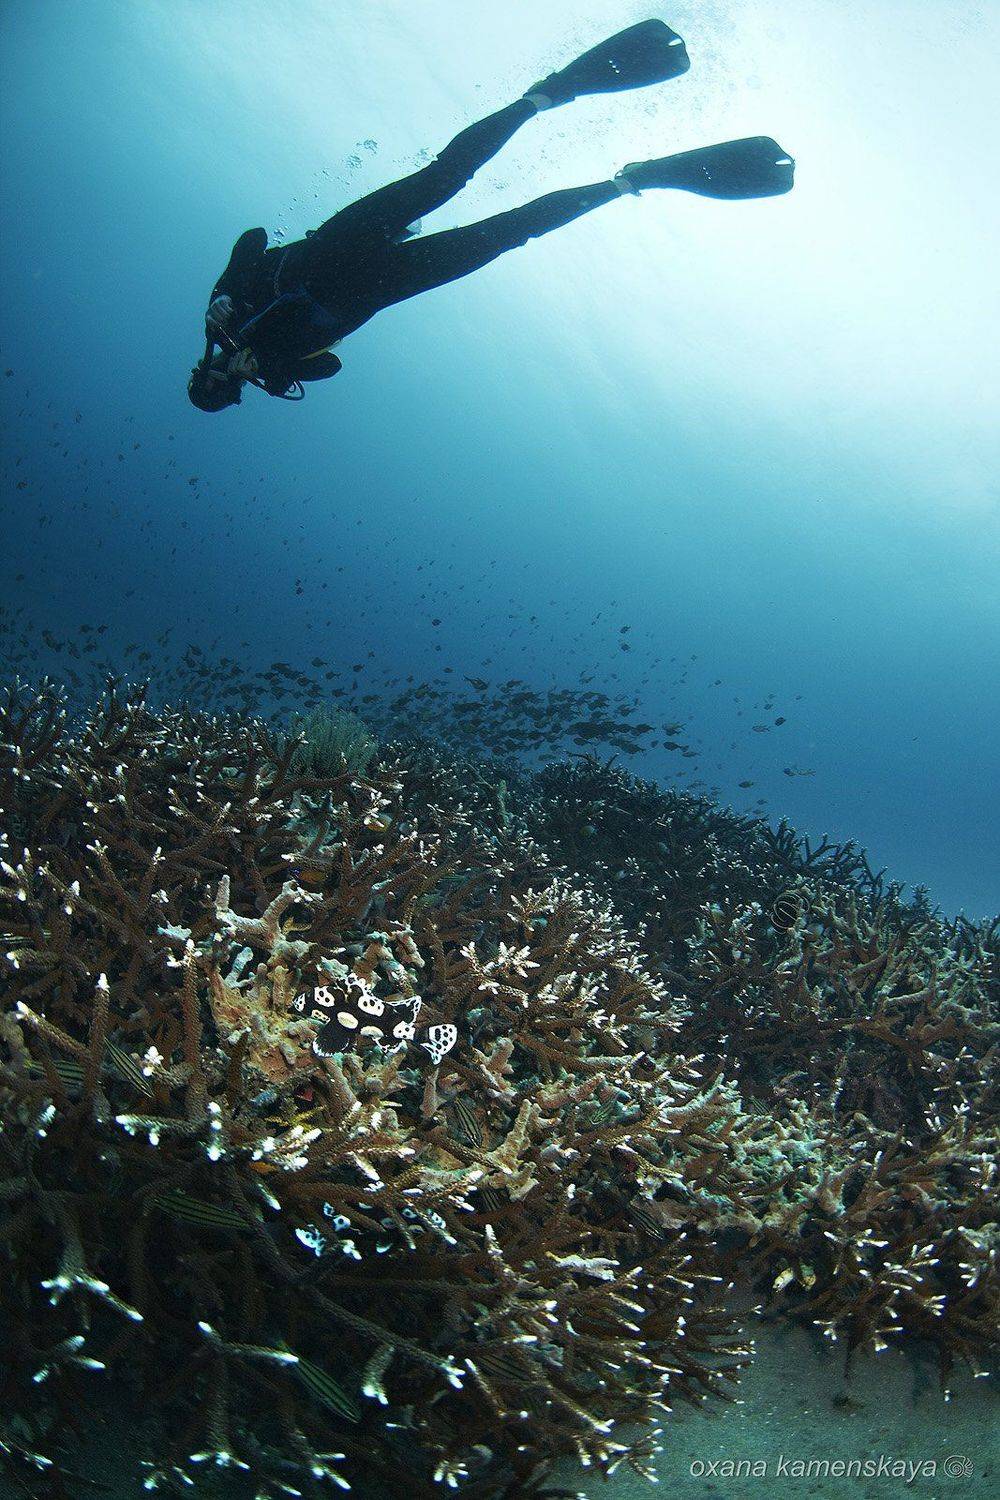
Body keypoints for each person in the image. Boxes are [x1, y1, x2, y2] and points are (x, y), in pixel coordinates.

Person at [188, 19, 793, 412]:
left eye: (218, 377)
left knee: (445, 175)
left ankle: (544, 96)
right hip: (383, 284)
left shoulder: (223, 311)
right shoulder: (273, 371)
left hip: (339, 244)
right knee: (505, 235)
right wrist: (269, 368)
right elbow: (335, 366)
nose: (229, 375)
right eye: (229, 387)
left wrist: (228, 295)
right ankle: (625, 182)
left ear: (204, 367)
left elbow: (254, 237)